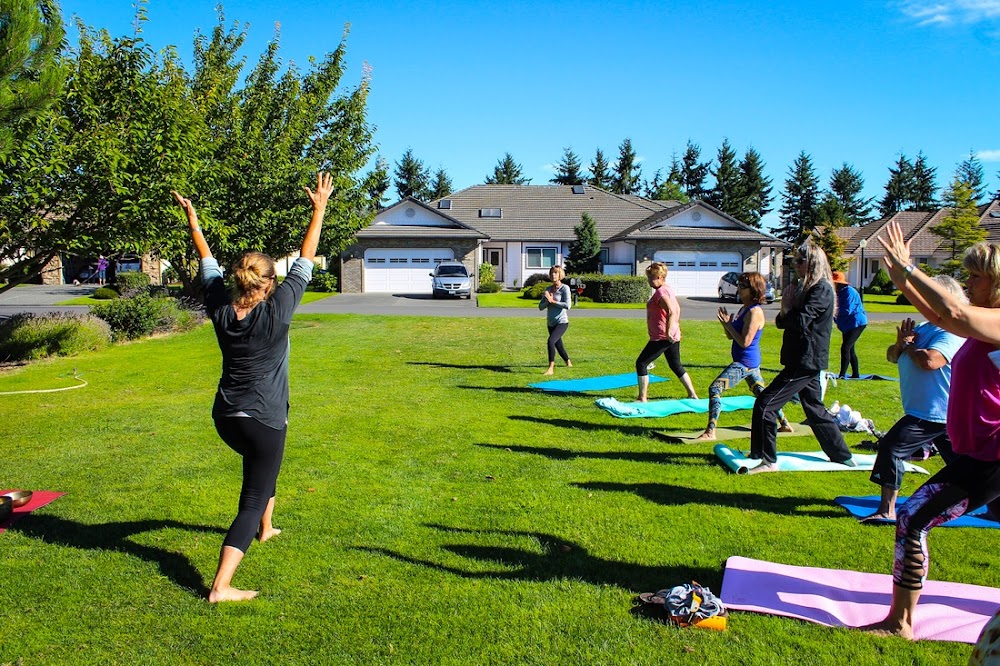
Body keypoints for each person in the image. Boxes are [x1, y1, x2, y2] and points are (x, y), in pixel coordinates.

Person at [172, 172, 334, 603]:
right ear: (267, 284)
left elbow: (205, 261)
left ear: (239, 281)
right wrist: (318, 209)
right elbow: (306, 255)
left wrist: (194, 220)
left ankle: (267, 528)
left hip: (226, 417)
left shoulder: (221, 309)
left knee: (263, 469)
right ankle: (221, 586)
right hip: (264, 417)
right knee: (253, 491)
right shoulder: (278, 311)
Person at [861, 223, 1000, 639]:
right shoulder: (983, 324)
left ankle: (900, 622)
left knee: (912, 516)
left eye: (975, 277)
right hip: (979, 450)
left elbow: (953, 313)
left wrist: (910, 267)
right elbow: (941, 316)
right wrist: (902, 276)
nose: (968, 283)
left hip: (993, 454)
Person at [860, 277, 967, 523]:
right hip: (932, 411)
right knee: (966, 466)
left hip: (934, 412)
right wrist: (900, 346)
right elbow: (891, 355)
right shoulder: (925, 326)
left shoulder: (950, 332)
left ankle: (888, 510)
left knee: (891, 448)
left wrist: (908, 346)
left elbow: (931, 361)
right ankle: (992, 508)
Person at [747, 240, 855, 474]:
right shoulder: (805, 289)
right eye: (794, 260)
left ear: (813, 263)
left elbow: (798, 322)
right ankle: (842, 455)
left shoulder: (821, 289)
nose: (795, 265)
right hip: (802, 358)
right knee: (815, 408)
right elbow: (782, 323)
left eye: (800, 261)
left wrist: (787, 308)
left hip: (805, 361)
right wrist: (786, 310)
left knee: (766, 405)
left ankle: (767, 460)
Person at [695, 272, 793, 440]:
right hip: (747, 361)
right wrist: (726, 325)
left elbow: (745, 342)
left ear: (754, 289)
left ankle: (710, 432)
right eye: (739, 285)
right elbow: (731, 336)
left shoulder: (755, 312)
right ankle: (784, 424)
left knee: (715, 388)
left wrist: (729, 326)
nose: (738, 289)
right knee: (763, 394)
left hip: (745, 362)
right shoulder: (744, 308)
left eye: (743, 286)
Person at [635, 262, 698, 402]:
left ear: (659, 277)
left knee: (641, 363)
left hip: (662, 337)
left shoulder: (661, 292)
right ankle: (692, 394)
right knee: (675, 365)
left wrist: (669, 331)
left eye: (651, 278)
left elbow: (671, 311)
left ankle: (642, 397)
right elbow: (677, 310)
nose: (649, 280)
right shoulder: (667, 289)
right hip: (670, 336)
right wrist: (674, 328)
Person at [831, 270, 868, 378]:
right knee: (850, 349)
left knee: (845, 347)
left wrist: (833, 313)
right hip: (848, 324)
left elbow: (847, 310)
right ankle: (855, 374)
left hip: (856, 322)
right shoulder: (839, 293)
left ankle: (842, 374)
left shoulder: (849, 292)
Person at [538, 265, 572, 375]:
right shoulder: (548, 289)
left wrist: (553, 302)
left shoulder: (564, 288)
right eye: (552, 273)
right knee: (558, 344)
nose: (553, 275)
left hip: (562, 322)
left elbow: (568, 305)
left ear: (560, 275)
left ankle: (550, 368)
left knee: (551, 341)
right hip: (551, 323)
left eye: (556, 273)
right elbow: (540, 307)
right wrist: (547, 301)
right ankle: (568, 362)